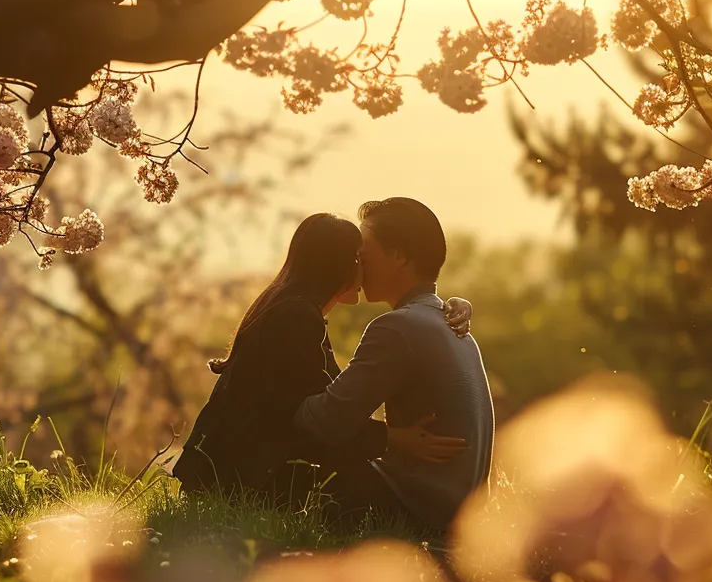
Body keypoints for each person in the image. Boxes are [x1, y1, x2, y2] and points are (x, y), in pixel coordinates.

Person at [171, 212, 472, 504]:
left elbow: (322, 408)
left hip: (237, 471)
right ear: (335, 264)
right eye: (358, 259)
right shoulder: (296, 318)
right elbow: (311, 421)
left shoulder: (297, 312)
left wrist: (440, 306)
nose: (364, 270)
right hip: (237, 478)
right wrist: (395, 439)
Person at [295, 197, 495, 536]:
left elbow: (323, 422)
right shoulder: (449, 323)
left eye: (363, 253)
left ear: (398, 256)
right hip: (457, 515)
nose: (354, 263)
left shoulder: (397, 328)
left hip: (415, 508)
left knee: (292, 457)